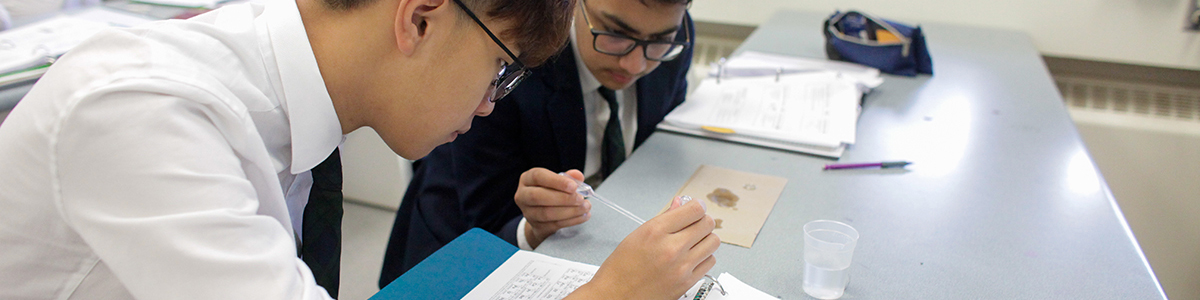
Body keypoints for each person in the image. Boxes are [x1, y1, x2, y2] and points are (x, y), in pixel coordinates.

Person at [0, 0, 718, 298]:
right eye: (499, 69)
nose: (489, 102)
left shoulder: (288, 87)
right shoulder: (147, 112)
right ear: (421, 18)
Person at [380, 0, 696, 284]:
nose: (635, 65)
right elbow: (488, 220)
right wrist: (532, 226)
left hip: (592, 238)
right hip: (462, 251)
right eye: (615, 34)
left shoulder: (672, 41)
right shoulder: (510, 60)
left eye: (658, 42)